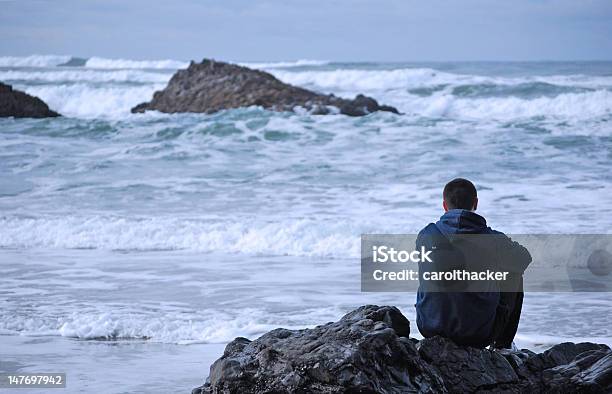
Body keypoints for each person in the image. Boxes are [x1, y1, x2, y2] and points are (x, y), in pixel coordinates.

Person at [415, 178, 531, 349]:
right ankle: (503, 346)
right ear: (475, 203)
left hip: (429, 327)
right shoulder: (493, 239)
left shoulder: (426, 234)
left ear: (444, 206)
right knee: (513, 273)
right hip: (477, 335)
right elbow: (524, 258)